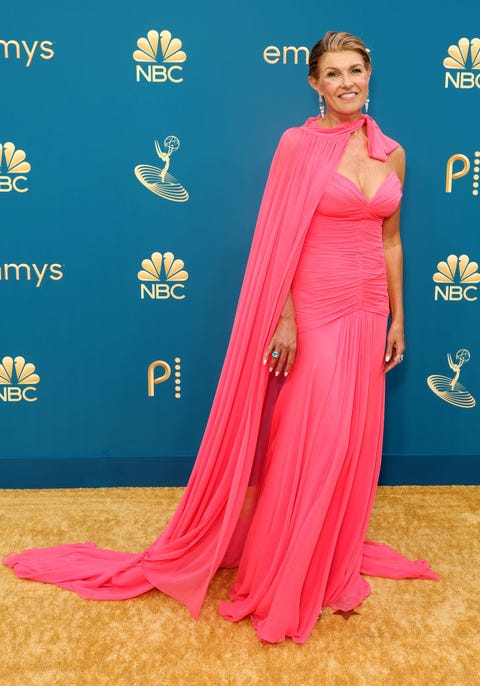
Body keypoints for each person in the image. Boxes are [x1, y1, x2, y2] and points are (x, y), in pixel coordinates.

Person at [4, 31, 438, 645]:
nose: (347, 83)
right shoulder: (297, 145)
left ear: (371, 75)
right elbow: (276, 237)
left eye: (357, 71)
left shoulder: (390, 152)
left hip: (369, 307)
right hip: (314, 303)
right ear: (314, 84)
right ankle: (285, 567)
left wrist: (400, 316)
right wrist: (283, 315)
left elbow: (390, 240)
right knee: (309, 433)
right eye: (334, 74)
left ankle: (326, 558)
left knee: (351, 438)